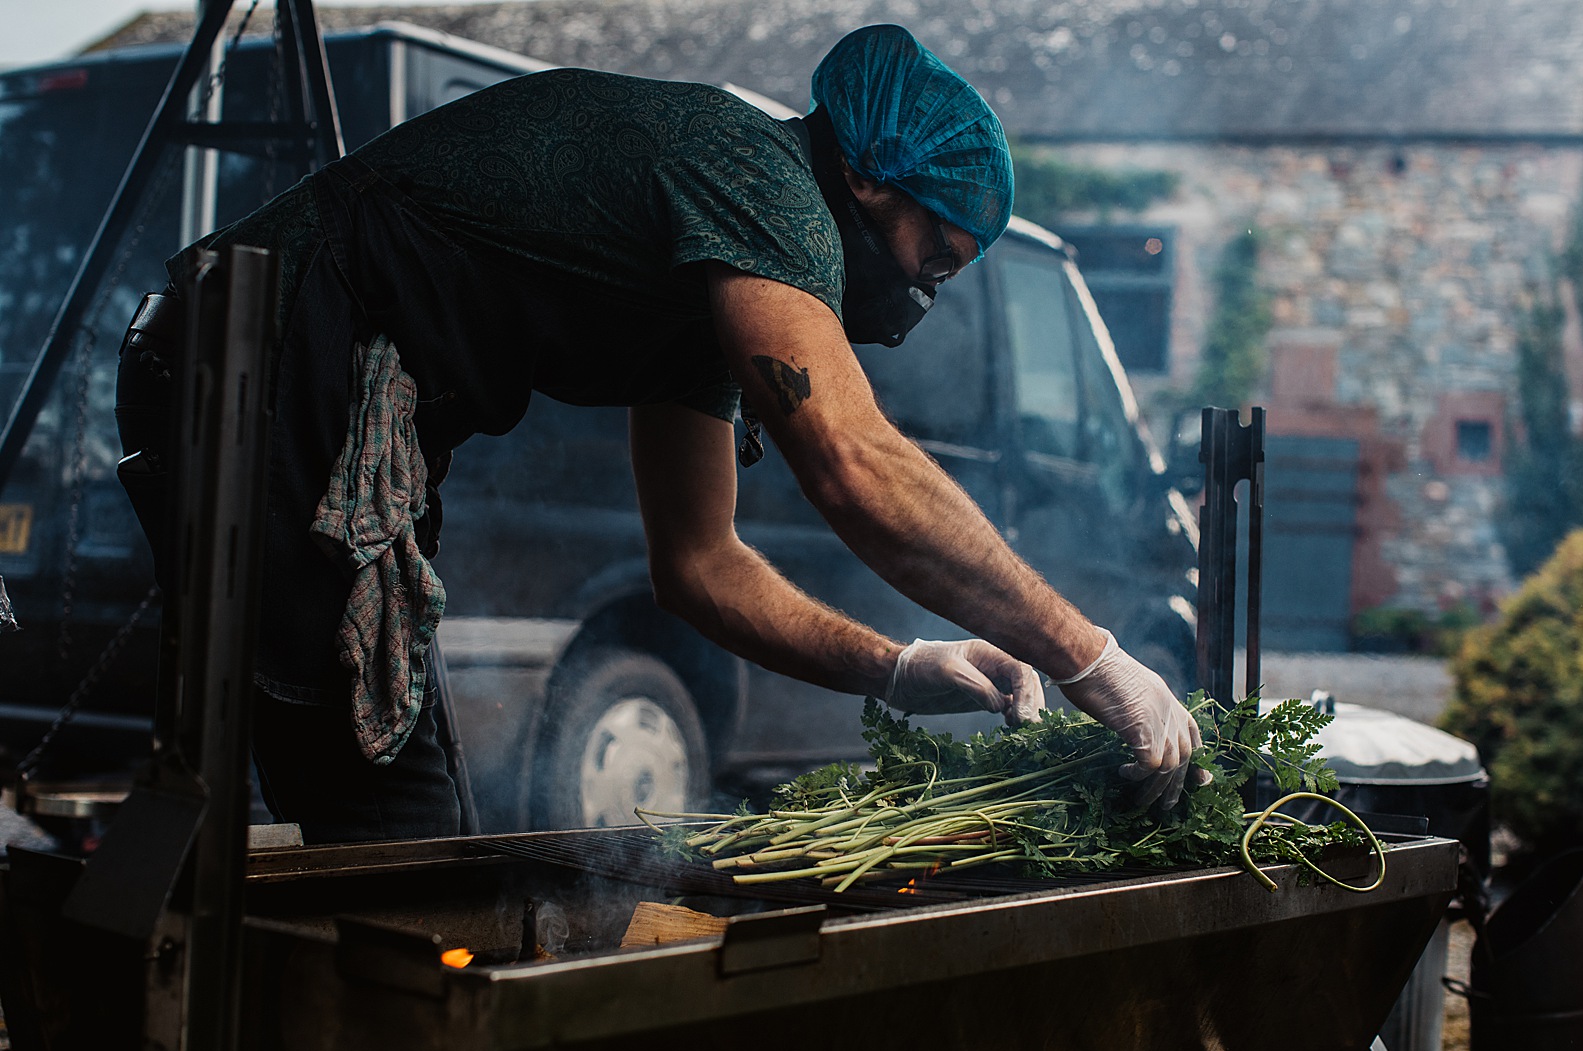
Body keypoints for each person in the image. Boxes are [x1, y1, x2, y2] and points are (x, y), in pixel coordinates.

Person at [116, 24, 1204, 843]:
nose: (922, 294)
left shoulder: (711, 287)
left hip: (276, 372)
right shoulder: (757, 180)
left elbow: (699, 567)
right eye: (931, 256)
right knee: (389, 809)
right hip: (268, 350)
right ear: (866, 175)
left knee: (340, 785)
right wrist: (1091, 657)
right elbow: (851, 461)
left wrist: (900, 665)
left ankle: (213, 1031)